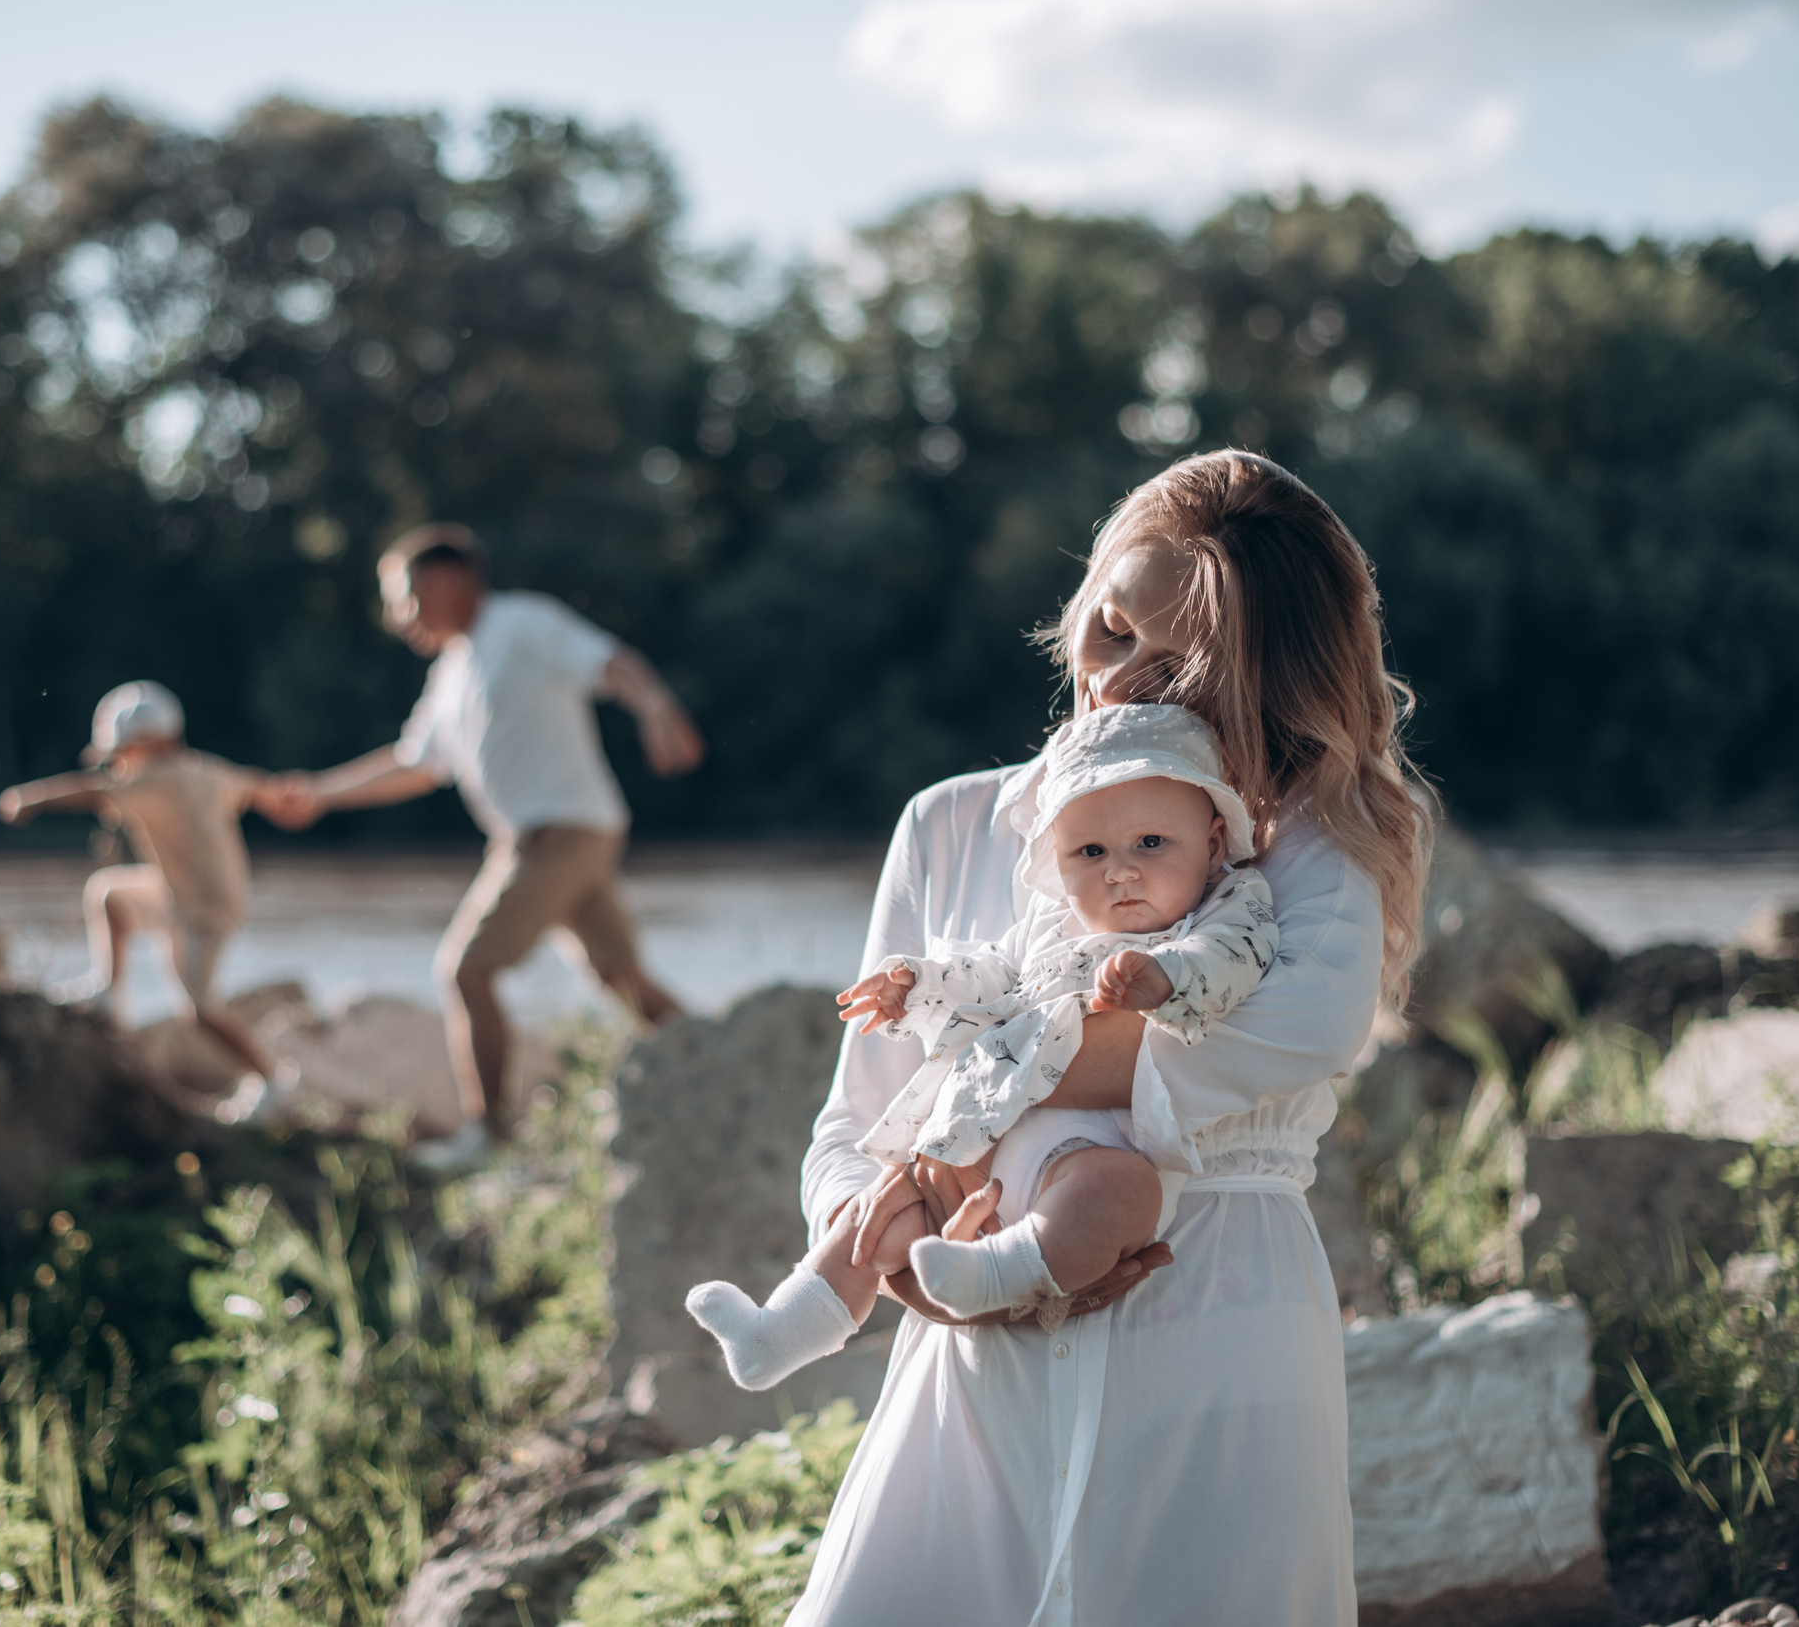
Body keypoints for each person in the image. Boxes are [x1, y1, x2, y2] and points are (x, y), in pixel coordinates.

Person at [786, 450, 1432, 1626]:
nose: (1119, 679)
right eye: (1107, 631)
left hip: (1216, 1326)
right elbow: (848, 1123)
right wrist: (893, 1253)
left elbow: (1289, 1038)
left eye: (1176, 659)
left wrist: (963, 1095)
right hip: (973, 1347)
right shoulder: (950, 825)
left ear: (1267, 674)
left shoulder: (1315, 850)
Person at [685, 703, 1279, 1388]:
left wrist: (1166, 978)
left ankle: (996, 1273)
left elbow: (1235, 958)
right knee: (883, 1211)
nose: (1119, 871)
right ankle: (779, 1331)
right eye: (1091, 853)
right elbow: (989, 969)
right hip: (980, 1135)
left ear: (1210, 840)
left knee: (1121, 1191)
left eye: (1151, 843)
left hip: (1090, 1148)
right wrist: (918, 984)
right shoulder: (1052, 922)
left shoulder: (1228, 903)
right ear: (1058, 864)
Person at [264, 523, 703, 1169]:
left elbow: (609, 662)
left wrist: (657, 704)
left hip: (560, 832)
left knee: (466, 970)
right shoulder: (453, 670)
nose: (397, 617)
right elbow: (416, 762)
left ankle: (490, 1135)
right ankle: (713, 1053)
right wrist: (322, 793)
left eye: (404, 597)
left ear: (448, 583)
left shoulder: (521, 624)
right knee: (617, 975)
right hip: (550, 832)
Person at [0, 680, 281, 1118]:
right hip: (175, 893)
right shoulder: (203, 769)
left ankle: (273, 1081)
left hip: (205, 910)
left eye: (119, 753)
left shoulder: (158, 779)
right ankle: (108, 992)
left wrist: (30, 799)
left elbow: (92, 791)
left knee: (200, 1010)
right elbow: (251, 785)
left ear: (148, 743)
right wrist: (287, 796)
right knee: (110, 893)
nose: (116, 764)